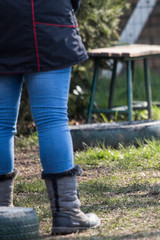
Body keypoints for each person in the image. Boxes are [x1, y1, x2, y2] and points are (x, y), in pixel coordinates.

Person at [0, 0, 100, 235]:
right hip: (47, 16)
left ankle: (3, 213)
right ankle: (67, 212)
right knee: (52, 119)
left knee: (1, 122)